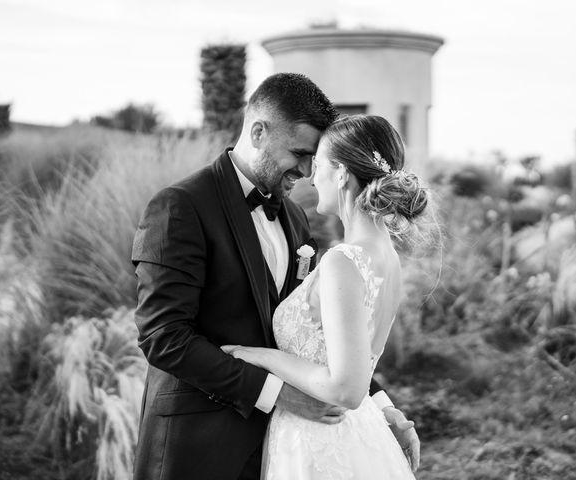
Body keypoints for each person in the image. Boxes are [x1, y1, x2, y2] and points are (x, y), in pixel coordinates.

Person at [131, 74, 419, 480]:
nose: (305, 169)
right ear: (259, 132)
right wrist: (278, 394)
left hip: (285, 451)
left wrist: (381, 407)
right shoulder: (180, 207)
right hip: (198, 448)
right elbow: (163, 337)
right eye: (300, 152)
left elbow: (322, 339)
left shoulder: (296, 218)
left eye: (314, 158)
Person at [221, 114, 429, 479]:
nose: (311, 176)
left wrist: (258, 355)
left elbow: (346, 388)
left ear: (343, 174)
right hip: (356, 431)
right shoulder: (387, 256)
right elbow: (356, 362)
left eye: (318, 166)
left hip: (320, 441)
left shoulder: (343, 261)